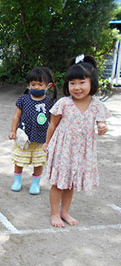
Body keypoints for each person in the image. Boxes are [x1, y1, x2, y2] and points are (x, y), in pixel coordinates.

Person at [44, 55, 111, 227]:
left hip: (81, 152)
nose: (77, 87)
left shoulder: (97, 106)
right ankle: (54, 214)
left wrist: (103, 127)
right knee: (58, 183)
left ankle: (65, 212)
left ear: (92, 83)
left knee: (70, 183)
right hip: (62, 149)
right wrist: (47, 144)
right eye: (72, 83)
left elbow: (101, 124)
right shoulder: (64, 103)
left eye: (82, 82)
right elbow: (52, 125)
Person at [9, 67, 56, 195]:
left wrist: (51, 138)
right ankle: (17, 181)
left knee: (38, 161)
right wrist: (13, 130)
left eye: (40, 84)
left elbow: (53, 122)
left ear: (48, 85)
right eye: (33, 84)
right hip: (23, 137)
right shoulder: (23, 99)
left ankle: (35, 184)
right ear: (28, 85)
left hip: (41, 139)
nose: (37, 87)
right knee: (19, 160)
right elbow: (17, 116)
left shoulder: (50, 102)